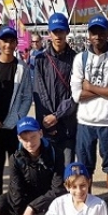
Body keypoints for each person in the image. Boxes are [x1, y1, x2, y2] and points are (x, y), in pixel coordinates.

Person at [70, 14, 108, 215]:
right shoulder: (80, 58)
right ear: (89, 35)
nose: (97, 36)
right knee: (85, 167)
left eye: (101, 32)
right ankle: (88, 204)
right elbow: (77, 95)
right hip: (85, 121)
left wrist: (90, 87)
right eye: (94, 32)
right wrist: (106, 89)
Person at [0, 26, 33, 212]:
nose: (8, 44)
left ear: (16, 44)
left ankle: (14, 196)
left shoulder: (22, 68)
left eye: (11, 41)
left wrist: (19, 118)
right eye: (4, 41)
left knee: (15, 161)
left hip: (13, 125)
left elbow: (27, 96)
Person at [0, 116, 66, 215]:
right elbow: (16, 191)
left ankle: (39, 213)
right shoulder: (15, 158)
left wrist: (32, 207)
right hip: (26, 196)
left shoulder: (56, 154)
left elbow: (57, 189)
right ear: (18, 138)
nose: (29, 143)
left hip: (47, 195)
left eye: (33, 137)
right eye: (24, 139)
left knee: (61, 210)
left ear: (40, 133)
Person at [33, 13, 77, 167]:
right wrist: (49, 120)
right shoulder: (40, 60)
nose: (58, 35)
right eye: (55, 31)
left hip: (68, 126)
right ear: (49, 33)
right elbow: (39, 93)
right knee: (48, 169)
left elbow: (76, 94)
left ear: (67, 32)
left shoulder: (76, 59)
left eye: (61, 31)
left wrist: (57, 116)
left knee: (67, 170)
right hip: (47, 125)